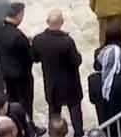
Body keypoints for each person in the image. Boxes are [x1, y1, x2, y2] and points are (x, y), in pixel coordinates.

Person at [31, 9, 84, 137]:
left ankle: (54, 133)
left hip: (52, 84)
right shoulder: (67, 42)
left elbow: (35, 58)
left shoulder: (39, 39)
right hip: (70, 84)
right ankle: (78, 133)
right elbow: (76, 61)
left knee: (54, 111)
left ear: (47, 22)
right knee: (75, 109)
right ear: (62, 23)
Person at [0, 2, 35, 122]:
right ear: (18, 16)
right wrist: (30, 46)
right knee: (25, 103)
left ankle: (13, 121)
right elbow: (28, 58)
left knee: (11, 99)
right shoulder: (17, 36)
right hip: (21, 77)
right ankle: (28, 126)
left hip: (5, 72)